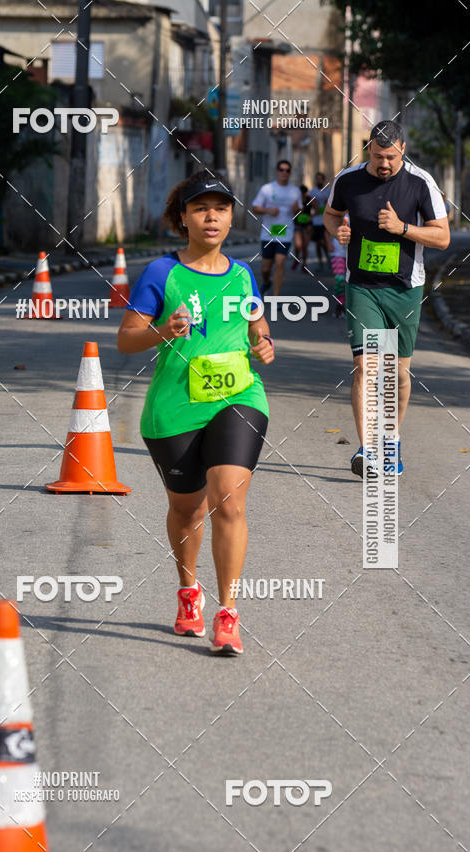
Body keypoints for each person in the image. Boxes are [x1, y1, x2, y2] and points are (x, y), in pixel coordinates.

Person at [117, 170, 274, 655]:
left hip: (239, 398)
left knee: (228, 498)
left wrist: (263, 343)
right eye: (201, 208)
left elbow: (256, 325)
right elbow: (126, 340)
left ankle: (228, 612)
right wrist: (164, 330)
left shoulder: (243, 273)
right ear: (182, 217)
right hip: (175, 407)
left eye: (222, 208)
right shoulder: (161, 274)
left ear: (231, 218)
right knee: (188, 508)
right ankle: (189, 592)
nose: (212, 216)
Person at [323, 120, 450, 477]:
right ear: (368, 150)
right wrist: (340, 231)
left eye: (391, 157)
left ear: (403, 150)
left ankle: (390, 439)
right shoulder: (348, 180)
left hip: (405, 288)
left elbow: (442, 238)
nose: (384, 164)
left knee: (398, 373)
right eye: (378, 156)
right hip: (362, 286)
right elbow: (330, 215)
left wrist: (403, 229)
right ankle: (367, 450)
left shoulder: (421, 182)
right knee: (367, 367)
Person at [252, 160, 301, 295]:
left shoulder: (295, 191)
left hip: (285, 233)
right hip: (268, 233)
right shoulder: (267, 189)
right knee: (266, 268)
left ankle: (276, 297)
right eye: (281, 169)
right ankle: (267, 282)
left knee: (280, 263)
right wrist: (268, 211)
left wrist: (296, 210)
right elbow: (255, 208)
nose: (284, 172)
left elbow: (299, 212)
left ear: (290, 173)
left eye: (287, 170)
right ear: (277, 171)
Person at [309, 171, 332, 271]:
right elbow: (312, 205)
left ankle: (328, 259)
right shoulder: (312, 191)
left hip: (325, 221)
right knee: (318, 243)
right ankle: (320, 263)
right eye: (317, 179)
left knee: (324, 242)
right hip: (316, 221)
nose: (319, 180)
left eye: (320, 179)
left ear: (323, 180)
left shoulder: (328, 191)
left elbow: (330, 204)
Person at [292, 184, 314, 271]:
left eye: (303, 193)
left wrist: (311, 217)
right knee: (298, 245)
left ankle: (304, 264)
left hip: (307, 226)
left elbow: (317, 210)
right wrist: (297, 210)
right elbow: (292, 212)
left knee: (304, 246)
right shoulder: (296, 201)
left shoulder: (310, 199)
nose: (302, 195)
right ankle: (297, 258)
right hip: (297, 224)